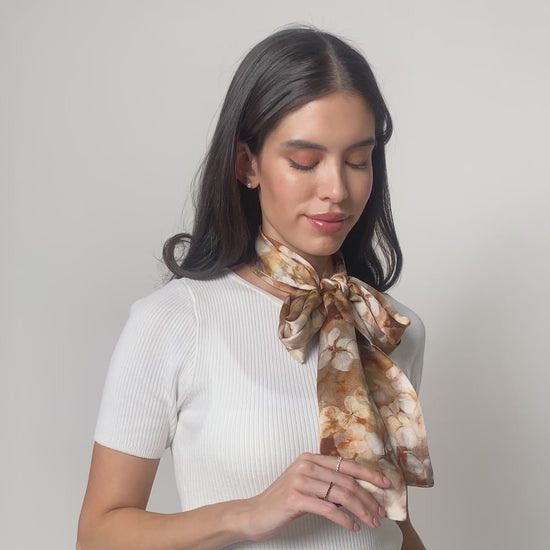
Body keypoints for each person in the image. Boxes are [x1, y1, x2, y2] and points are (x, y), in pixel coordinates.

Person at [77, 25, 433, 550]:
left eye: (358, 160)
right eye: (305, 161)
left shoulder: (393, 329)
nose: (336, 189)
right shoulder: (175, 321)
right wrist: (249, 513)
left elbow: (384, 523)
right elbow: (97, 535)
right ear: (248, 164)